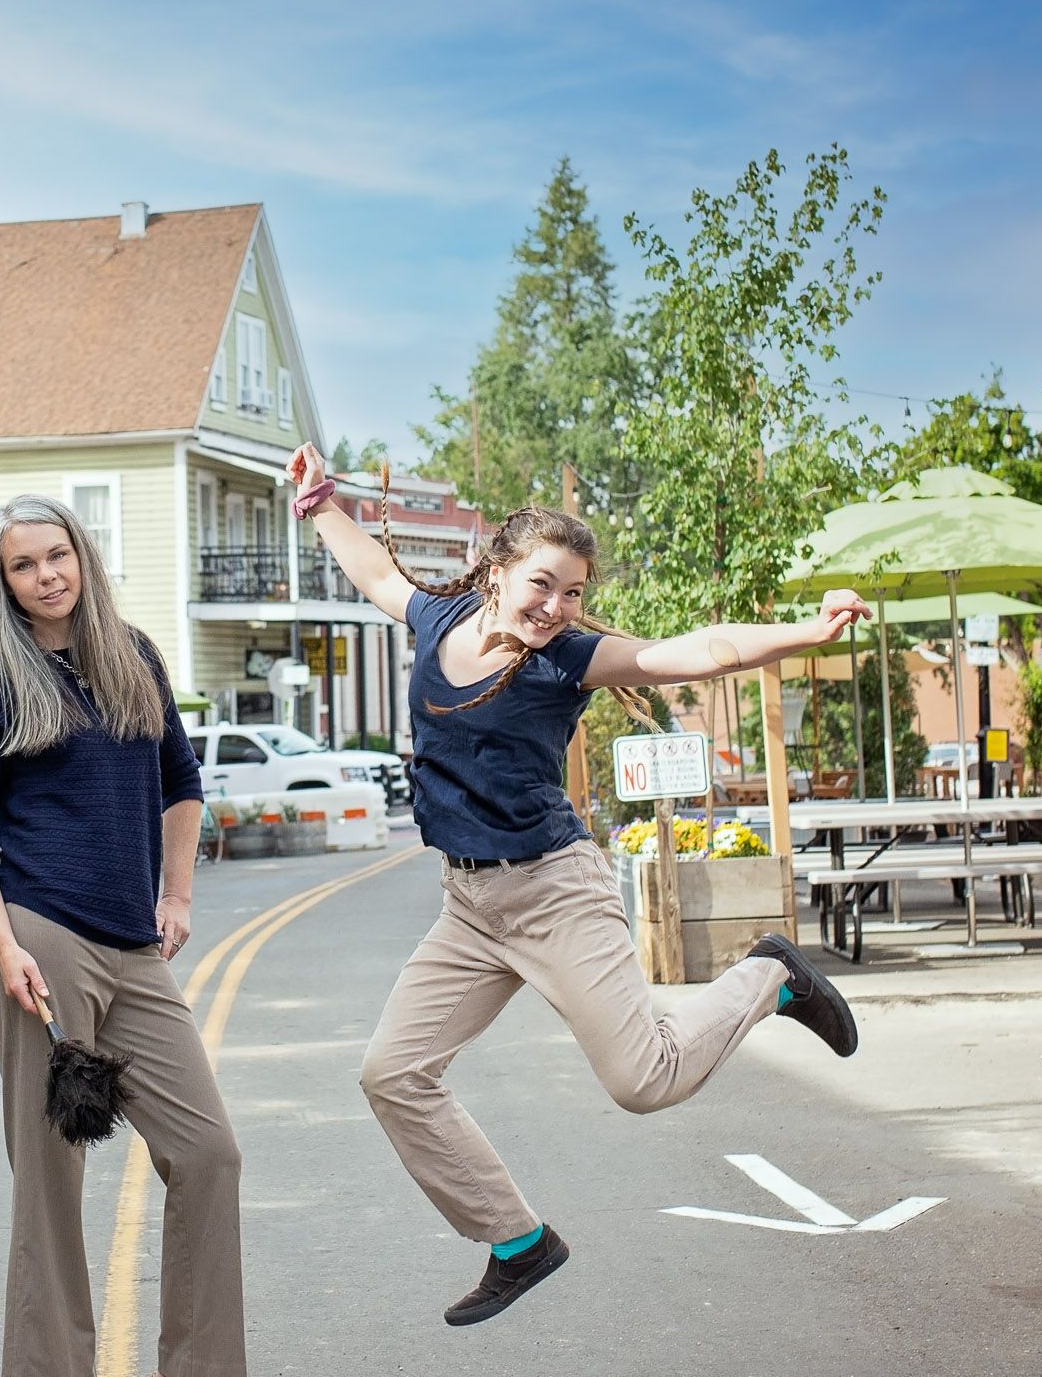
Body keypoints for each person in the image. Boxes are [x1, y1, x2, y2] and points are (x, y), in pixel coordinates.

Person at [285, 443, 871, 1327]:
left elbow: (696, 651)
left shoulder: (569, 659)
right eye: (542, 586)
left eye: (574, 593)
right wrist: (322, 500)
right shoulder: (437, 620)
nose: (557, 607)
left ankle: (772, 976)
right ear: (496, 572)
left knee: (645, 1081)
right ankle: (518, 1240)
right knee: (392, 1074)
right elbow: (373, 571)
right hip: (469, 906)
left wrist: (805, 632)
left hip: (555, 892)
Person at [0, 494, 250, 1377]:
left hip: (133, 947)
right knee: (53, 1174)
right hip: (43, 945)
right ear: (3, 582)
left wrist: (179, 893)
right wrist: (5, 948)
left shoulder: (134, 656)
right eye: (23, 565)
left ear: (83, 554)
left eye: (56, 554)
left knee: (207, 1149)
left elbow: (181, 782)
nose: (46, 575)